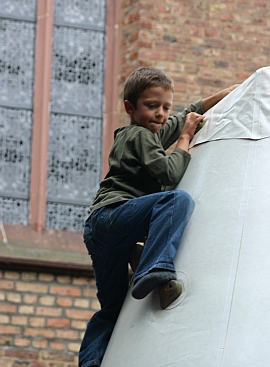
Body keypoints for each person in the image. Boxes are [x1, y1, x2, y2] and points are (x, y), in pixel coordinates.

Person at [79, 67, 238, 367]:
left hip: (102, 234)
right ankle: (154, 269)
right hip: (113, 217)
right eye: (152, 106)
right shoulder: (139, 135)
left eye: (165, 106)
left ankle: (90, 362)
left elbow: (184, 115)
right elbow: (170, 172)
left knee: (111, 309)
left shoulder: (149, 131)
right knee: (177, 201)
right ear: (130, 107)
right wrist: (185, 139)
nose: (161, 114)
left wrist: (224, 95)